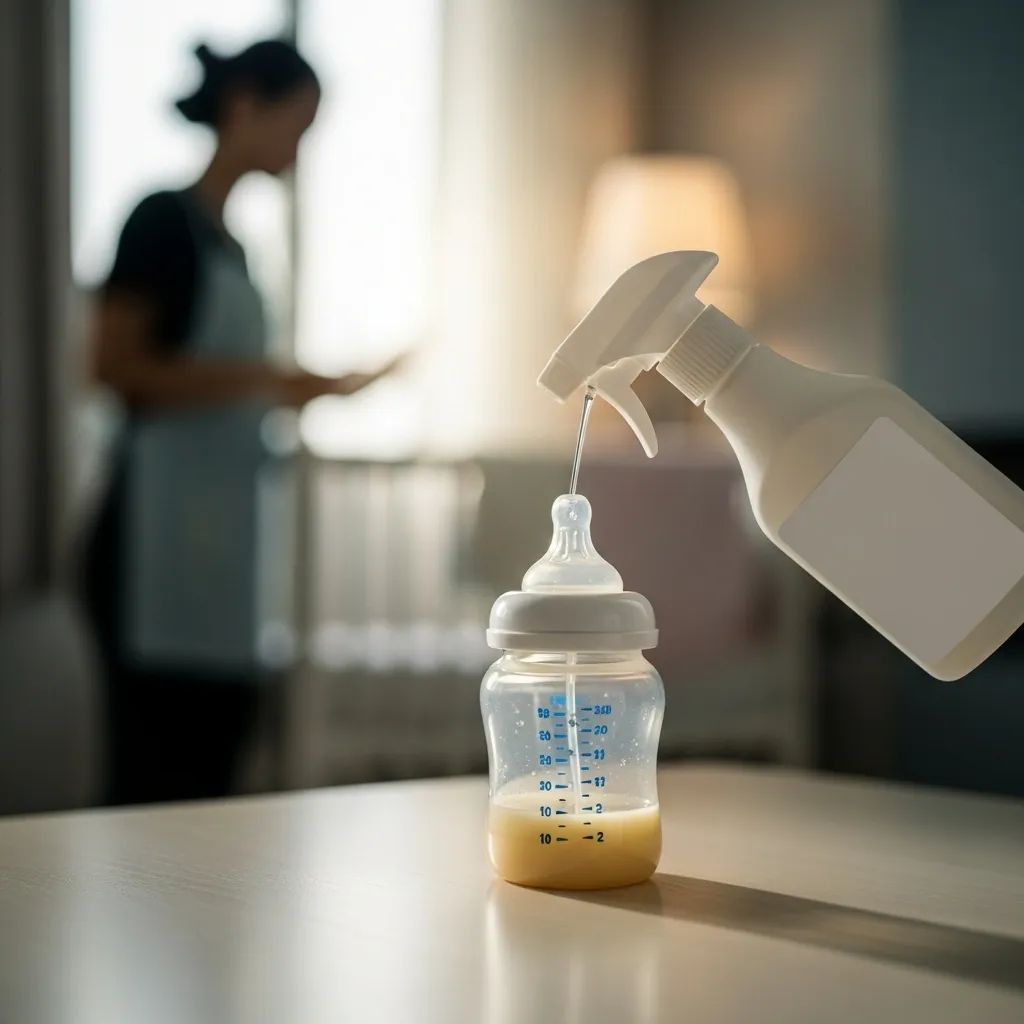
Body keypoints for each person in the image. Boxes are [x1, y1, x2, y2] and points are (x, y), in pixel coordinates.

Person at [80, 39, 395, 805]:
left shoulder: (235, 249)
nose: (300, 146)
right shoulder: (162, 222)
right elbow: (114, 368)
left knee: (215, 762)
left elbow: (224, 390)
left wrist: (310, 388)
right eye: (298, 122)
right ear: (246, 106)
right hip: (149, 547)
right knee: (154, 777)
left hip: (211, 548)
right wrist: (272, 379)